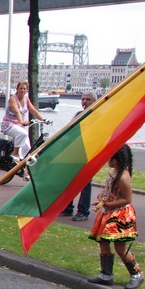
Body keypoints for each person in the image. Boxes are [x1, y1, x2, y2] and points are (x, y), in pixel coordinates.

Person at [87, 145, 143, 289]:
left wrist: (109, 204)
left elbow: (127, 199)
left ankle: (136, 274)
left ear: (116, 160)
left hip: (120, 215)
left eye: (109, 158)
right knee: (103, 241)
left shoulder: (123, 177)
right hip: (108, 211)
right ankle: (106, 274)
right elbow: (110, 189)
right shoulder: (114, 172)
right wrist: (103, 195)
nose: (107, 160)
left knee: (120, 248)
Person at [62, 91, 96, 221]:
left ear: (94, 101)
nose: (84, 102)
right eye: (83, 99)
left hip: (88, 153)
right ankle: (67, 207)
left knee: (85, 182)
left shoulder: (97, 115)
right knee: (69, 180)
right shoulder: (78, 114)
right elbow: (69, 129)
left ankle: (83, 211)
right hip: (76, 152)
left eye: (88, 99)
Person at [1, 80, 43, 159]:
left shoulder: (26, 99)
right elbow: (17, 112)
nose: (22, 90)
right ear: (17, 89)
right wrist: (22, 122)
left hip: (19, 125)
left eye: (24, 89)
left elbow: (33, 110)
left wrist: (43, 120)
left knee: (27, 148)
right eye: (20, 88)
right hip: (8, 124)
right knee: (23, 133)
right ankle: (15, 154)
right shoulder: (13, 99)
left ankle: (23, 163)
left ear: (27, 90)